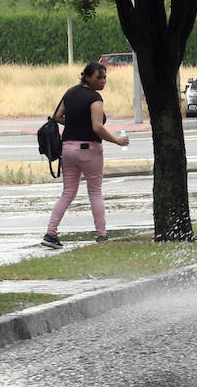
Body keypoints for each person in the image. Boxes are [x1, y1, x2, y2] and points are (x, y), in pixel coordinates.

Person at [41, 61, 131, 248]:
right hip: (90, 150)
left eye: (105, 77)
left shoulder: (70, 92)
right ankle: (101, 235)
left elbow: (57, 116)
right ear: (88, 76)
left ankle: (50, 233)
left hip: (68, 149)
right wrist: (117, 140)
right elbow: (97, 127)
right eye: (99, 77)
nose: (103, 81)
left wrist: (75, 123)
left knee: (67, 193)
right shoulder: (95, 98)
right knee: (95, 192)